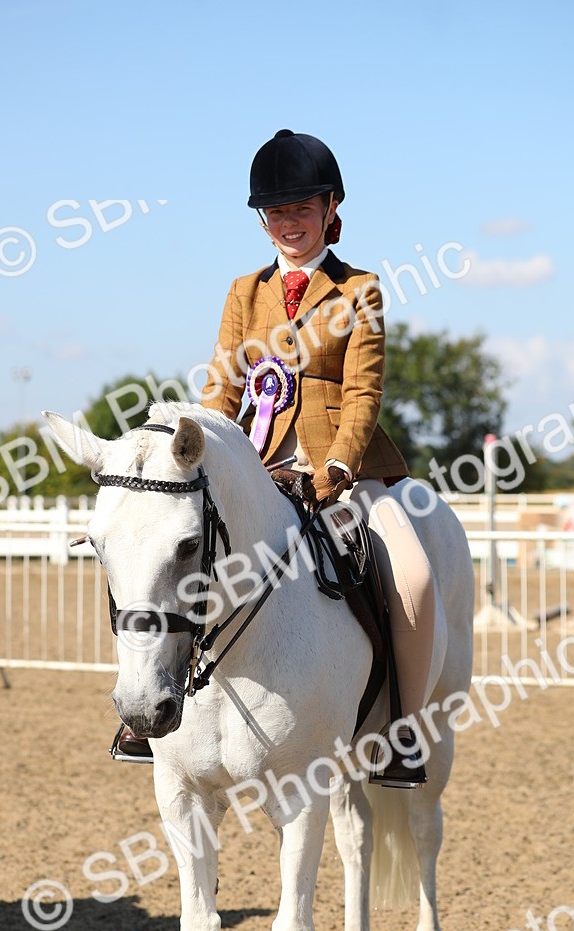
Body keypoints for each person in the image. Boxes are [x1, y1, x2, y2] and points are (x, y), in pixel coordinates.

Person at [198, 129, 436, 787]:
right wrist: (207, 456)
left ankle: (403, 734)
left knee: (412, 578)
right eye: (276, 212)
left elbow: (363, 392)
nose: (289, 222)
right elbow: (222, 385)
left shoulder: (360, 289)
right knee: (175, 552)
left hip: (344, 470)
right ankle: (149, 709)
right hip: (260, 461)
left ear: (331, 208)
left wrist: (338, 467)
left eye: (302, 208)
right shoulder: (244, 292)